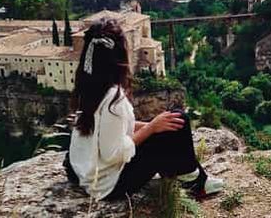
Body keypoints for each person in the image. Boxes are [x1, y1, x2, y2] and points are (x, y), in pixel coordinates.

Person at [64, 19, 224, 201]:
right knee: (180, 121)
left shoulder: (89, 85)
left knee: (169, 122)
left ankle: (190, 175)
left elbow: (109, 129)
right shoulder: (113, 100)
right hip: (111, 185)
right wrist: (151, 128)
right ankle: (195, 182)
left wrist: (153, 125)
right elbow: (112, 155)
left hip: (87, 169)